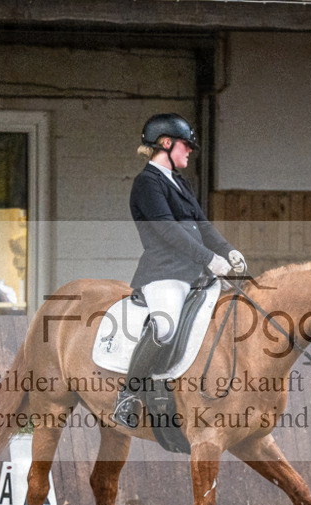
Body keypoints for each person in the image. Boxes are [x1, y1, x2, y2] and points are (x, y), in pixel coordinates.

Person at [111, 113, 246, 429]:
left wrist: (229, 251)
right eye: (186, 145)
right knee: (165, 327)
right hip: (165, 273)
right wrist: (210, 259)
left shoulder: (180, 183)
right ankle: (129, 395)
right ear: (166, 144)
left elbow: (203, 226)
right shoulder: (147, 183)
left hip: (197, 274)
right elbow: (169, 231)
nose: (189, 151)